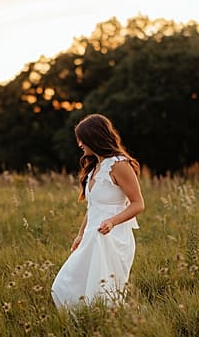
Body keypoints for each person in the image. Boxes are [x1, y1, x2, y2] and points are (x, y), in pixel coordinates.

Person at [51, 114, 145, 309]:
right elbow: (93, 207)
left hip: (112, 238)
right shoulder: (95, 167)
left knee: (101, 294)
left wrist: (112, 221)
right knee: (64, 285)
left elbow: (138, 204)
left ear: (95, 137)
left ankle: (100, 327)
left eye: (82, 139)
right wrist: (80, 235)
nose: (79, 144)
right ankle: (81, 326)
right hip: (91, 236)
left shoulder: (119, 165)